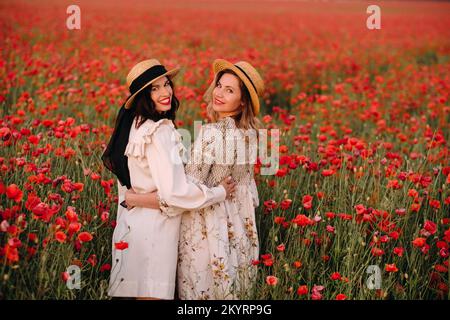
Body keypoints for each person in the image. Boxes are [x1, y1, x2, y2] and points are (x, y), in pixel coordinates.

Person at [126, 59, 264, 299]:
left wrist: (135, 198)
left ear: (242, 101)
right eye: (219, 85)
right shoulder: (250, 134)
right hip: (241, 230)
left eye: (229, 90)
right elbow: (249, 194)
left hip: (207, 231)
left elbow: (179, 194)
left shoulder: (212, 134)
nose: (219, 93)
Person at [102, 59, 235, 300]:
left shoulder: (135, 125)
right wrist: (219, 193)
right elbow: (175, 193)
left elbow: (128, 188)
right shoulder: (159, 131)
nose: (165, 92)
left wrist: (134, 197)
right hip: (156, 233)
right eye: (154, 88)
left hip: (130, 228)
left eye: (166, 84)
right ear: (144, 96)